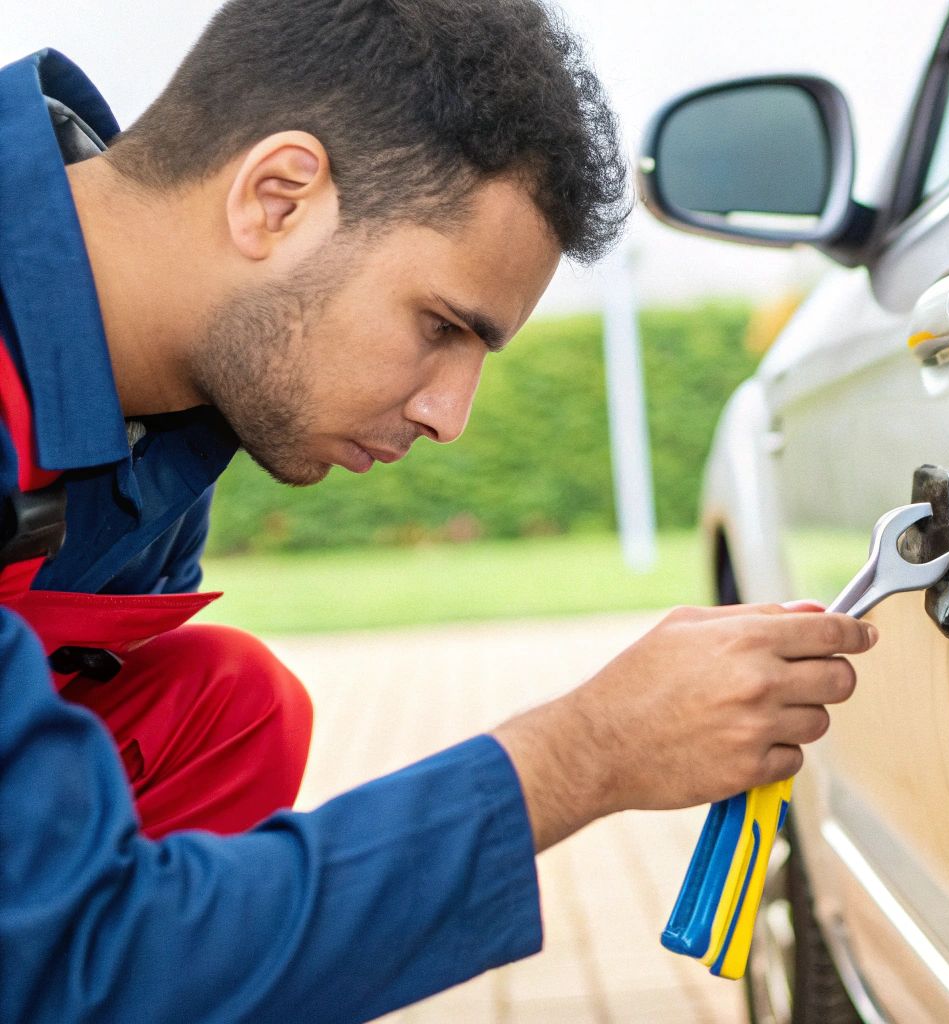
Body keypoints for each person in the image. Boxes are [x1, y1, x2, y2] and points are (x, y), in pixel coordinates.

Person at [0, 2, 875, 1021]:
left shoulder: (155, 428)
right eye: (439, 326)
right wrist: (581, 753)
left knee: (228, 707)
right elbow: (75, 960)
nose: (448, 416)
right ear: (277, 199)